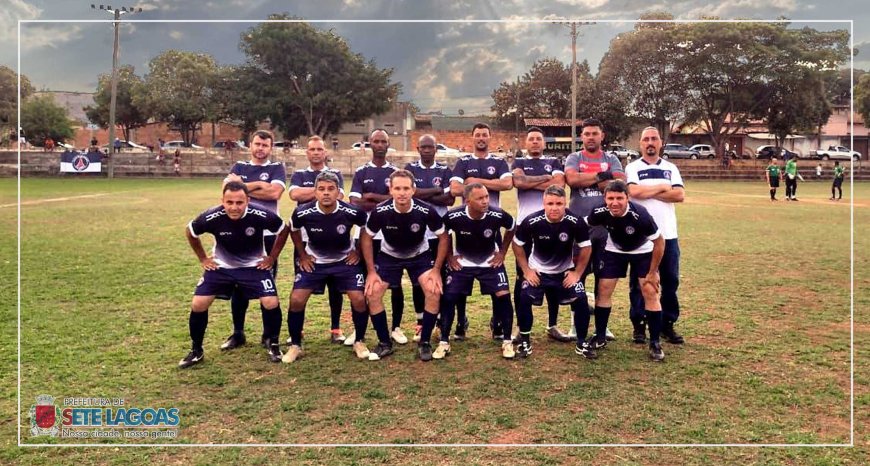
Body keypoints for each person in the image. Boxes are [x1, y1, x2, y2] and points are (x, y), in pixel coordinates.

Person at [179, 182, 287, 368]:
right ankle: (196, 350)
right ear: (222, 201)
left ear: (248, 201)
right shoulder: (212, 216)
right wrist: (203, 258)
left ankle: (274, 344)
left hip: (253, 266)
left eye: (239, 202)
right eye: (229, 202)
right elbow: (191, 231)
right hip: (222, 267)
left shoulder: (260, 214)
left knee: (271, 302)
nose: (234, 207)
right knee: (198, 304)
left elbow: (284, 229)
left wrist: (272, 257)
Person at [279, 171, 371, 362]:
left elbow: (365, 229)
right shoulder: (303, 212)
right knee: (296, 299)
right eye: (321, 189)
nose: (326, 193)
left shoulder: (352, 211)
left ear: (338, 192)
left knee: (359, 298)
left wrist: (357, 252)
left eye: (331, 189)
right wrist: (303, 255)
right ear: (315, 192)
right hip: (316, 263)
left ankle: (359, 341)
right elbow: (293, 230)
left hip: (344, 262)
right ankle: (296, 345)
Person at [361, 170, 448, 361]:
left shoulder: (426, 210)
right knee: (373, 292)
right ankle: (384, 342)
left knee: (433, 290)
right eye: (398, 188)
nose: (402, 193)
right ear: (390, 190)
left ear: (413, 190)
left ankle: (424, 342)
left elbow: (443, 237)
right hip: (389, 256)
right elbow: (366, 237)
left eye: (406, 188)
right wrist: (371, 271)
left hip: (419, 255)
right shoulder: (380, 211)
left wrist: (436, 270)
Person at [219, 130, 287, 351]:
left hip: (267, 235)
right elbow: (228, 194)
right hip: (239, 234)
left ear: (271, 147)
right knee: (238, 285)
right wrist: (259, 186)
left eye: (265, 145)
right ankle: (238, 333)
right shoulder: (239, 166)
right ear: (250, 145)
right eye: (257, 144)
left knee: (267, 284)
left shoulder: (276, 168)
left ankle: (268, 335)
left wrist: (244, 187)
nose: (260, 148)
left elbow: (274, 193)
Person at [585, 180, 666, 362]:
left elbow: (660, 242)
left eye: (619, 198)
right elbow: (584, 227)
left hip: (642, 251)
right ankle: (600, 336)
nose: (615, 203)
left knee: (650, 291)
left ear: (627, 198)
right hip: (614, 250)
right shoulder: (598, 211)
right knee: (603, 290)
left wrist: (653, 272)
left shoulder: (640, 215)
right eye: (610, 198)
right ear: (605, 198)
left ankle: (654, 342)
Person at [512, 185, 595, 359]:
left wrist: (577, 273)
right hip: (538, 273)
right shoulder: (532, 221)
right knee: (524, 297)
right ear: (544, 204)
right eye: (550, 203)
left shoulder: (576, 221)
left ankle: (581, 343)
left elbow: (586, 247)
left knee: (581, 299)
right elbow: (517, 245)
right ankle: (525, 341)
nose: (554, 208)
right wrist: (526, 270)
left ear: (565, 203)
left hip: (564, 273)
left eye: (559, 203)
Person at [449, 123, 513, 340]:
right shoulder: (463, 162)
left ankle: (497, 322)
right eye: (477, 135)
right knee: (460, 276)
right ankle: (461, 321)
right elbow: (455, 189)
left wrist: (474, 183)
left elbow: (507, 184)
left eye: (485, 135)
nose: (481, 138)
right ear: (472, 137)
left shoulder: (499, 161)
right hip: (465, 227)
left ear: (490, 137)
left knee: (495, 273)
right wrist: (492, 184)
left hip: (491, 225)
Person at [563, 117, 624, 341]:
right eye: (587, 134)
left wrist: (587, 178)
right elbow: (572, 180)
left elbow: (619, 183)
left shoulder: (611, 158)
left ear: (602, 136)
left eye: (594, 133)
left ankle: (601, 327)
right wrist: (601, 177)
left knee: (603, 279)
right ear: (581, 136)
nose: (590, 137)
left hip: (606, 231)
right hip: (579, 230)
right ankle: (575, 325)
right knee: (577, 277)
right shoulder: (574, 157)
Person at [625, 127, 686, 345]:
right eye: (646, 139)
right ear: (640, 144)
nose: (650, 142)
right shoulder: (633, 167)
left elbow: (679, 195)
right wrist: (661, 187)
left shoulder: (671, 168)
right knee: (639, 282)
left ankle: (667, 324)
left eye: (654, 139)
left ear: (660, 142)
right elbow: (634, 192)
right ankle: (639, 324)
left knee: (670, 280)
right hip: (641, 237)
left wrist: (648, 192)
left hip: (668, 234)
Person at [511, 126, 572, 342]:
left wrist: (531, 181)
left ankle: (552, 325)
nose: (535, 142)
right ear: (526, 143)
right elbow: (519, 182)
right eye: (531, 139)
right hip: (526, 226)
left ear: (544, 143)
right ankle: (521, 327)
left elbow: (559, 184)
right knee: (523, 277)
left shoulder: (554, 161)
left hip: (552, 226)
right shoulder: (519, 162)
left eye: (538, 138)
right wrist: (545, 179)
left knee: (553, 274)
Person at [442, 183, 516, 358]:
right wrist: (450, 256)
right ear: (468, 201)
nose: (485, 201)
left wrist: (502, 253)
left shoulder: (497, 214)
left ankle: (506, 340)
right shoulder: (454, 215)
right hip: (463, 262)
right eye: (480, 198)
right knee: (450, 296)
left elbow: (512, 227)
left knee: (503, 295)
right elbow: (444, 233)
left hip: (489, 261)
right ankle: (444, 341)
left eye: (486, 197)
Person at [287, 135, 348, 343]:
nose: (315, 152)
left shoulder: (336, 174)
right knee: (301, 285)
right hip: (305, 239)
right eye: (312, 149)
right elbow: (294, 195)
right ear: (307, 152)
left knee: (335, 286)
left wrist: (313, 194)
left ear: (325, 152)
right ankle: (298, 331)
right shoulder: (299, 174)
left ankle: (336, 329)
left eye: (319, 149)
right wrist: (322, 193)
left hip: (332, 236)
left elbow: (340, 197)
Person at [348, 129, 406, 346]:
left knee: (395, 284)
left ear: (388, 144)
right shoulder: (361, 172)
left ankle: (396, 327)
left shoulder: (395, 173)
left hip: (391, 233)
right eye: (376, 141)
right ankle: (359, 329)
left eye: (383, 141)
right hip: (364, 234)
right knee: (362, 283)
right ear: (369, 144)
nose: (380, 145)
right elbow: (355, 202)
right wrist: (384, 200)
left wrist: (371, 196)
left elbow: (398, 200)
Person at [404, 134, 455, 342]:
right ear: (418, 149)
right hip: (415, 231)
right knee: (418, 279)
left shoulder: (444, 170)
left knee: (440, 276)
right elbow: (409, 194)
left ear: (436, 149)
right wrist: (435, 190)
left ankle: (440, 321)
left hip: (439, 233)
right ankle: (420, 322)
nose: (426, 150)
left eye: (430, 147)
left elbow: (449, 199)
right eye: (423, 147)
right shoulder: (410, 169)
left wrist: (421, 193)